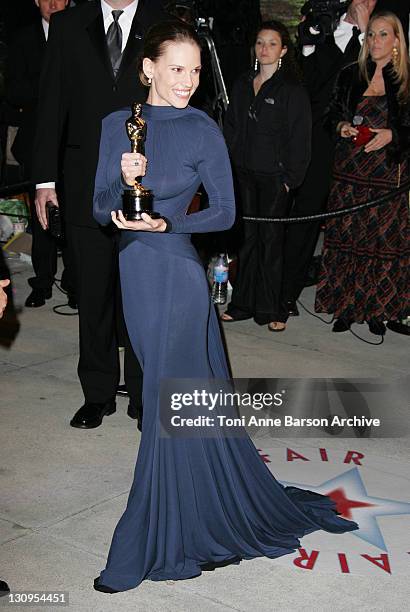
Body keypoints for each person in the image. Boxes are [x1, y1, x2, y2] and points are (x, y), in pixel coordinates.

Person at [92, 20, 358, 593]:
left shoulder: (202, 128)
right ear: (149, 68)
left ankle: (152, 532)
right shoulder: (119, 125)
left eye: (194, 70)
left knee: (167, 394)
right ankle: (195, 499)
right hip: (134, 272)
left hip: (179, 274)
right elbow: (96, 207)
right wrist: (119, 185)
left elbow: (226, 213)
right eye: (176, 68)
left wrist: (169, 221)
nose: (188, 81)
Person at [31, 0, 167, 430]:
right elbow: (51, 101)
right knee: (91, 294)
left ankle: (144, 396)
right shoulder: (69, 24)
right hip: (83, 182)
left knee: (143, 298)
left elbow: (175, 103)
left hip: (147, 185)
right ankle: (98, 393)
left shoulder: (162, 21)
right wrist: (44, 181)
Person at [315, 11, 410, 335]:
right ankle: (345, 308)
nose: (374, 42)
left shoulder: (407, 80)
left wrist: (392, 135)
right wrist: (342, 126)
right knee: (346, 240)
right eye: (371, 35)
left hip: (386, 178)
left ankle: (374, 310)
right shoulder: (350, 74)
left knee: (379, 244)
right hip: (349, 175)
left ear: (397, 41)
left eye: (383, 35)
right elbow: (330, 116)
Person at [282, 0, 377, 318]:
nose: (364, 2)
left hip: (355, 143)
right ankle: (285, 293)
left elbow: (375, 82)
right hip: (315, 138)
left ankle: (350, 299)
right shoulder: (325, 27)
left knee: (350, 224)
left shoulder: (377, 36)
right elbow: (305, 80)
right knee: (305, 216)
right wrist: (308, 42)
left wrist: (366, 34)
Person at [220, 21, 311, 332]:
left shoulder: (291, 90)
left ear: (283, 50)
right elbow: (230, 126)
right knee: (246, 241)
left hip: (275, 178)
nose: (265, 49)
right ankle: (242, 303)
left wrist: (290, 179)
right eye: (260, 42)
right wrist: (230, 164)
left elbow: (300, 138)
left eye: (272, 43)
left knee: (272, 243)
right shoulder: (243, 83)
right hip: (243, 174)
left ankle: (273, 308)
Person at [6, 0, 76, 309]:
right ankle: (42, 282)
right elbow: (13, 92)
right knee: (42, 215)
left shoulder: (82, 31)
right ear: (35, 1)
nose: (54, 3)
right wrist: (50, 85)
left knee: (76, 212)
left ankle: (75, 283)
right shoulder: (23, 38)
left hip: (76, 139)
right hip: (37, 138)